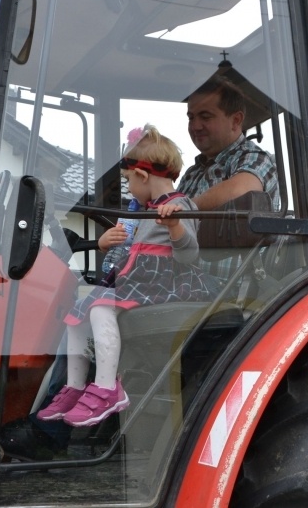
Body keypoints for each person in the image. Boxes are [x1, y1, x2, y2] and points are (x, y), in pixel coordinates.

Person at [35, 124, 214, 428]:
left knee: (101, 307)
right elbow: (132, 249)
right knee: (76, 313)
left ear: (143, 176)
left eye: (129, 180)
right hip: (141, 277)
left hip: (165, 281)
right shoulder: (143, 209)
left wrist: (175, 227)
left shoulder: (178, 205)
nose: (129, 187)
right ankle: (75, 387)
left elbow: (188, 255)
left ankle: (107, 389)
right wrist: (106, 242)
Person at [179, 74, 278, 211]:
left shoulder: (256, 158)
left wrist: (184, 208)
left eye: (205, 117)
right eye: (191, 118)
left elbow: (241, 190)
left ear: (236, 120)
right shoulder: (191, 174)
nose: (195, 126)